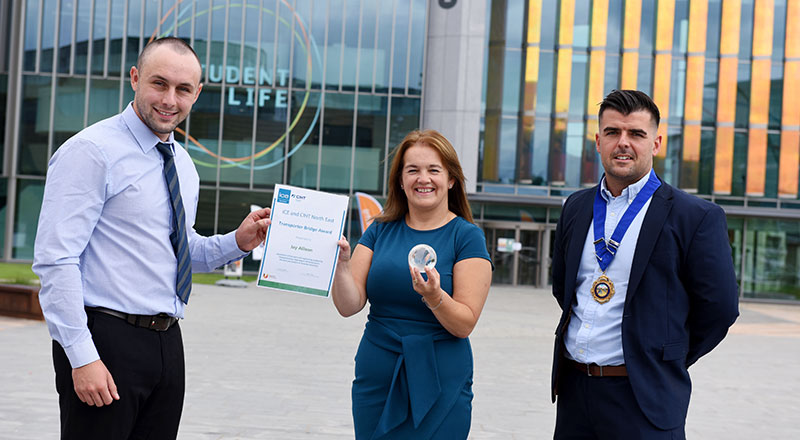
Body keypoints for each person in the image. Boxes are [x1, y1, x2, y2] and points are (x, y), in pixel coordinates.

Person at [32, 37, 271, 439]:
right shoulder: (91, 151)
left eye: (182, 89)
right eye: (159, 84)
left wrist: (238, 241)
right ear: (135, 78)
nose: (169, 100)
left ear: (197, 93)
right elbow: (56, 260)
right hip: (104, 339)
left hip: (167, 343)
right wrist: (81, 356)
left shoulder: (183, 163)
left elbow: (178, 252)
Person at [550, 89, 740, 439]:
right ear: (597, 141)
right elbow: (563, 288)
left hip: (644, 400)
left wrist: (662, 354)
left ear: (655, 143)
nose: (623, 143)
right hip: (575, 394)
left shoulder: (695, 217)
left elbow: (720, 309)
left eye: (636, 134)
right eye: (612, 132)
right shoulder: (575, 207)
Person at [331, 129, 493, 439]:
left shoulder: (467, 237)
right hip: (378, 375)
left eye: (434, 170)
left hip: (441, 377)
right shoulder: (379, 230)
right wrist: (341, 267)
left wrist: (435, 297)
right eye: (413, 170)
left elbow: (465, 324)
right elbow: (348, 305)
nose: (423, 178)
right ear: (400, 180)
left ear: (451, 180)